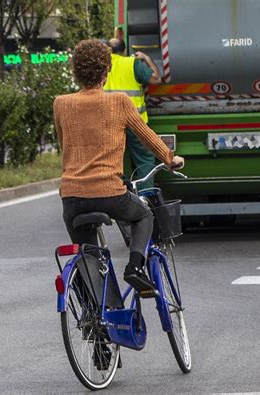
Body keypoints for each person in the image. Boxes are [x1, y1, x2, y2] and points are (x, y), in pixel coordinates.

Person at [53, 39, 184, 297]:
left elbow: (64, 145)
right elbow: (147, 136)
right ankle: (135, 268)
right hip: (109, 193)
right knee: (143, 215)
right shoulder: (120, 103)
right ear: (106, 71)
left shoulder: (61, 103)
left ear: (75, 72)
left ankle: (100, 321)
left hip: (72, 197)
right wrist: (170, 159)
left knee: (89, 257)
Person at [104, 38, 162, 189]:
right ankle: (146, 199)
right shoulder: (132, 63)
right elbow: (156, 79)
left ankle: (118, 198)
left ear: (108, 50)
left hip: (110, 123)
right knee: (144, 159)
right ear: (123, 51)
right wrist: (147, 58)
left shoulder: (101, 66)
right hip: (135, 123)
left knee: (114, 162)